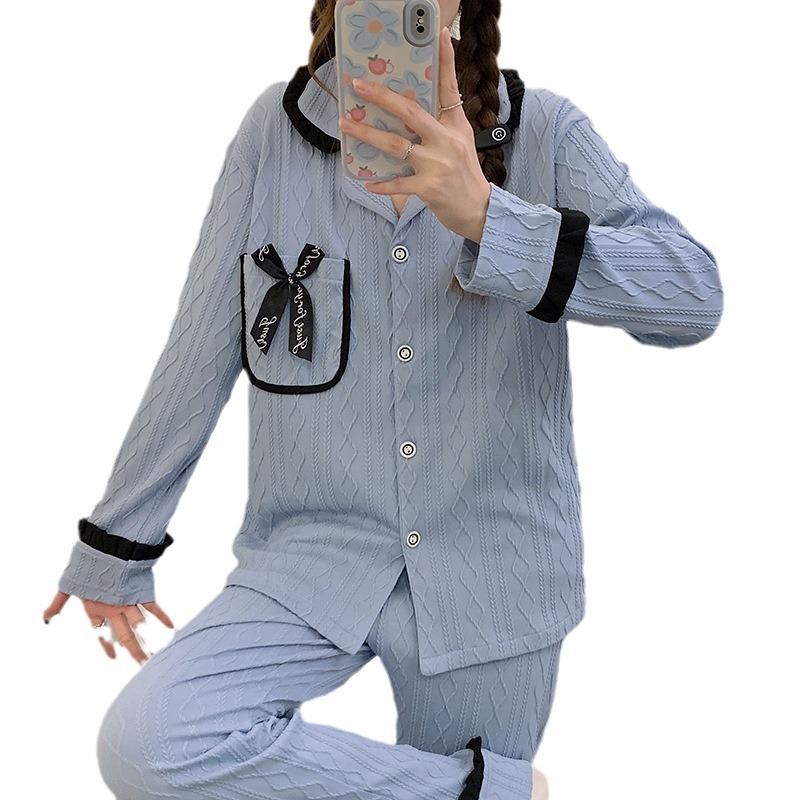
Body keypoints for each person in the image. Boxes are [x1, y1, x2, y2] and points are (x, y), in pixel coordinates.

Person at [42, 2, 724, 799]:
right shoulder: (273, 134)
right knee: (150, 741)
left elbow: (692, 295)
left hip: (490, 573)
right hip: (310, 556)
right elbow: (200, 344)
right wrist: (118, 544)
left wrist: (490, 220)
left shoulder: (544, 133)